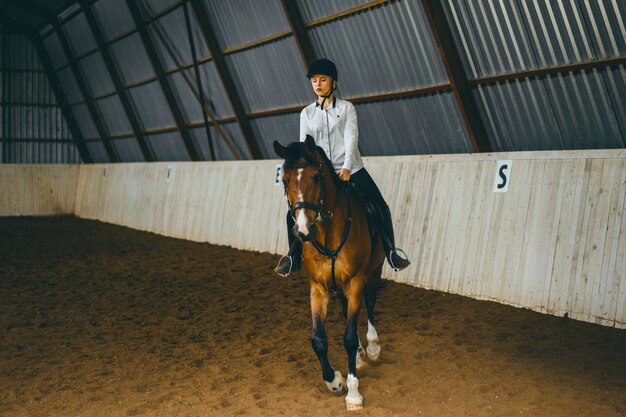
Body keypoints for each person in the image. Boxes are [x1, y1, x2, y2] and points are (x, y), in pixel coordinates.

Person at [275, 58, 410, 277]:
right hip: (320, 173)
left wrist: (347, 167)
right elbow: (304, 146)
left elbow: (351, 138)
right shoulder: (306, 113)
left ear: (333, 83)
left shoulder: (347, 109)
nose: (318, 84)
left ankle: (391, 251)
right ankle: (293, 257)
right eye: (314, 81)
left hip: (351, 170)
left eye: (323, 80)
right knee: (293, 213)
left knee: (380, 205)